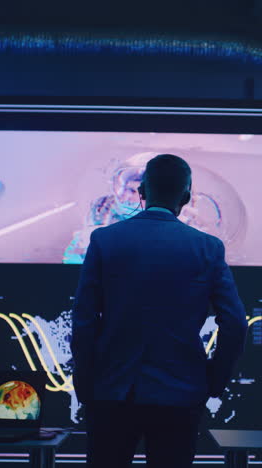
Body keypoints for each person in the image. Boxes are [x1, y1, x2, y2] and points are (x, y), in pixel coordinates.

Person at [70, 154, 248, 467]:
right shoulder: (208, 248)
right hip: (180, 395)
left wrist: (85, 382)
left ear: (142, 193)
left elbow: (84, 321)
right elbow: (234, 323)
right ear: (186, 197)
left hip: (112, 392)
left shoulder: (104, 240)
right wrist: (213, 380)